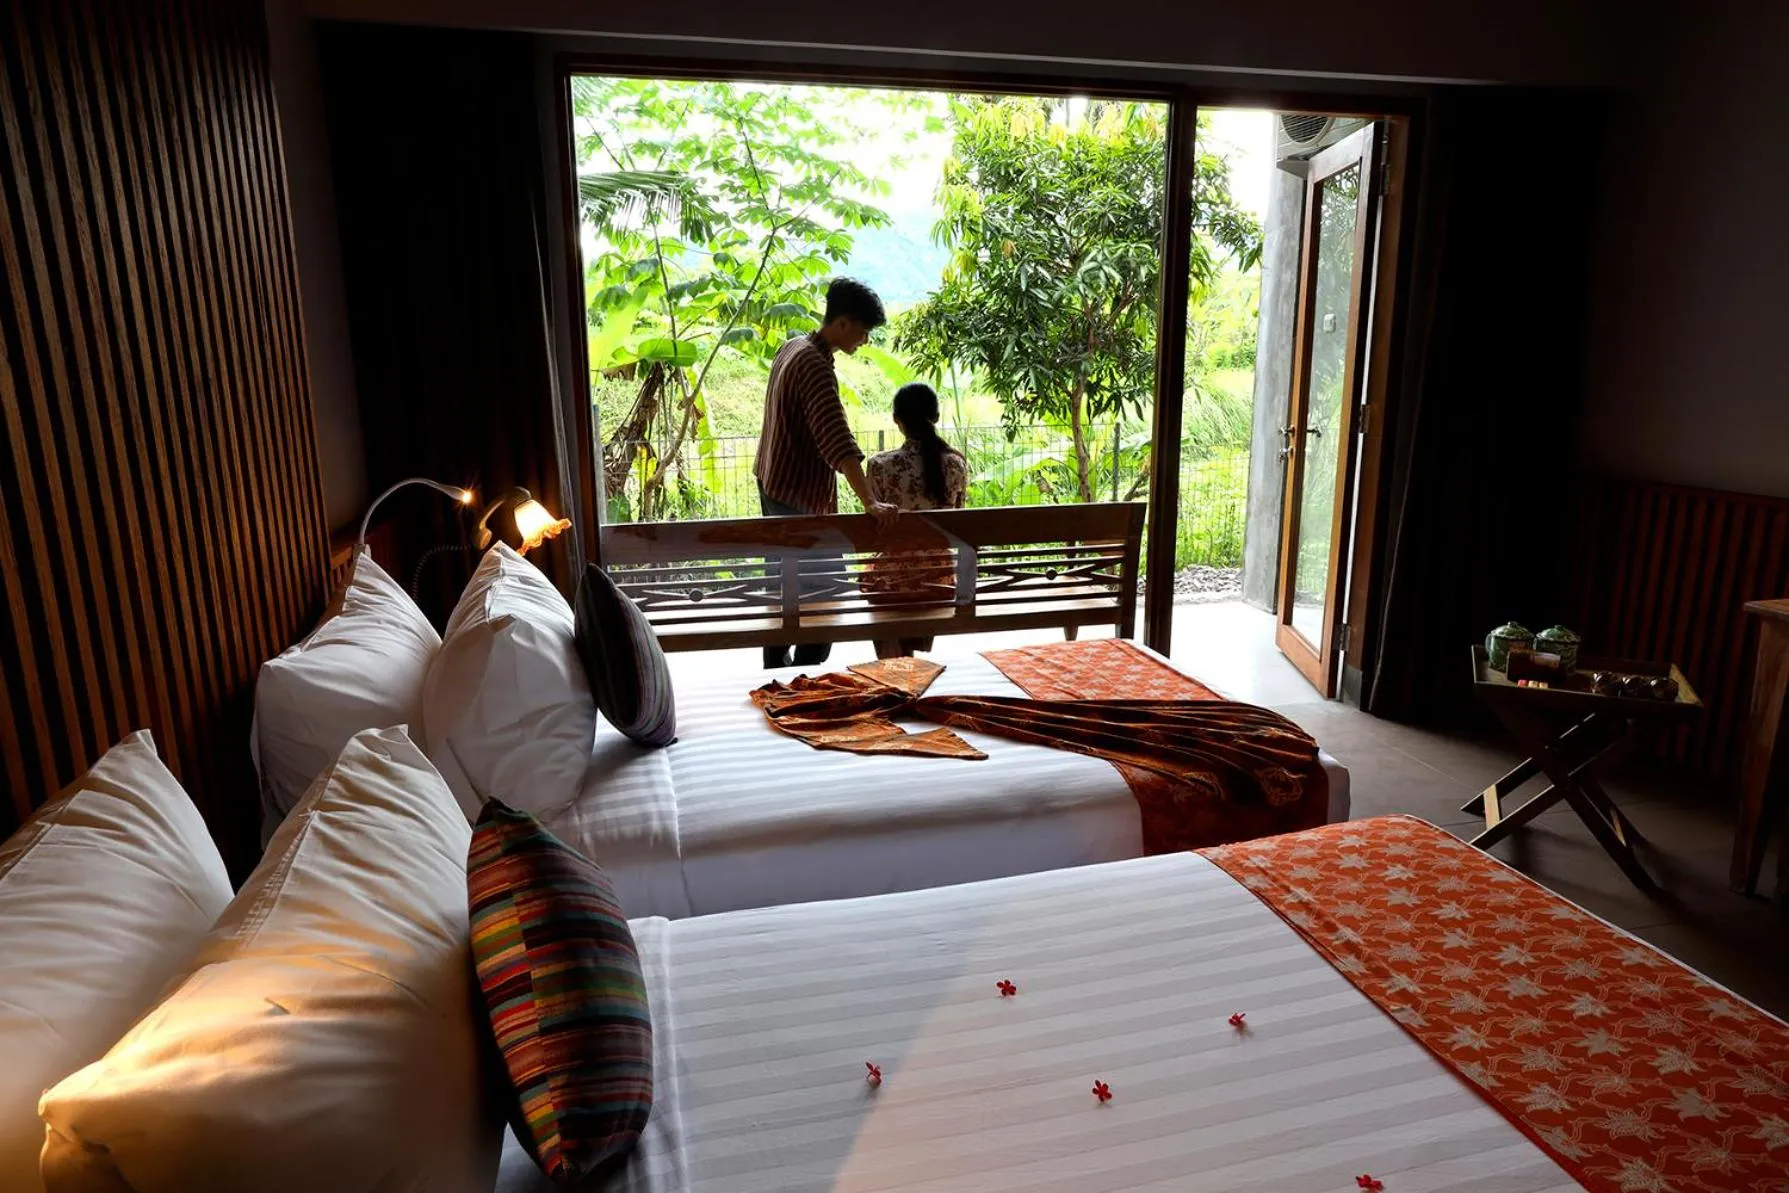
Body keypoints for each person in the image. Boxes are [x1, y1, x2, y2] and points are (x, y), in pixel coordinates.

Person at [754, 277, 900, 669]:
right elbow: (837, 440)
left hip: (773, 486)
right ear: (842, 323)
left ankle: (779, 675)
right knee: (828, 593)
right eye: (864, 331)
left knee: (783, 590)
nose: (865, 340)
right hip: (800, 499)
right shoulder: (814, 366)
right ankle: (806, 677)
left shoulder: (791, 347)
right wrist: (870, 500)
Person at [864, 382, 968, 659]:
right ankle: (911, 659)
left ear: (897, 421)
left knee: (877, 574)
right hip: (939, 581)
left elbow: (873, 526)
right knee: (928, 570)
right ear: (935, 417)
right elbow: (958, 520)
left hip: (892, 583)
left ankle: (894, 662)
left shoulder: (880, 465)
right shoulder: (955, 464)